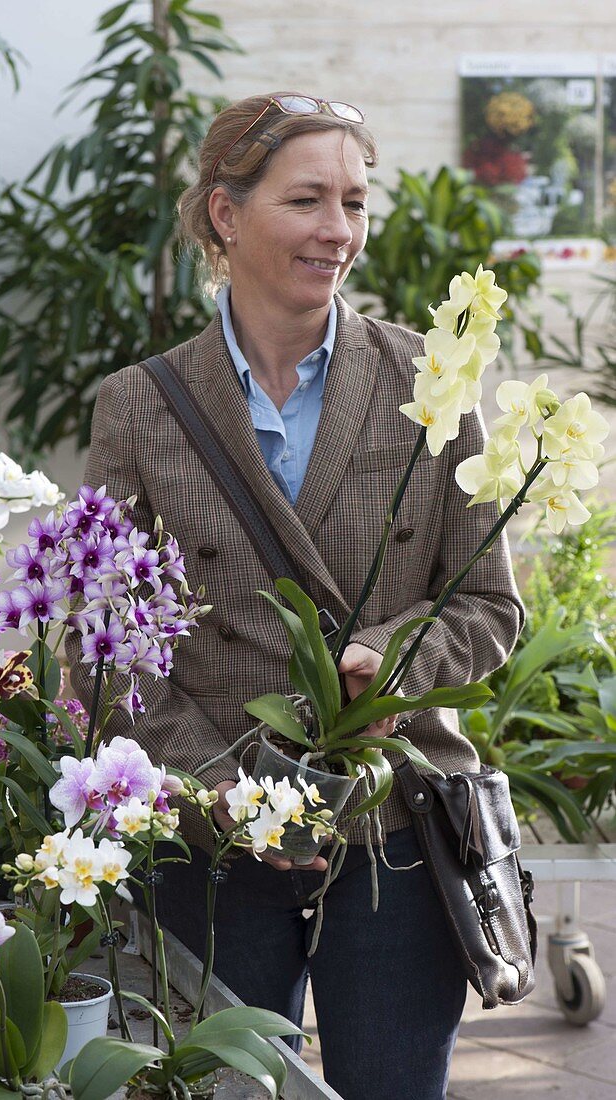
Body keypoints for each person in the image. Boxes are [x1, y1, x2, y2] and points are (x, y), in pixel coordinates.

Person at [69, 93, 524, 1100]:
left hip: (394, 839)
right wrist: (212, 790)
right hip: (212, 846)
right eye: (309, 199)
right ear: (226, 215)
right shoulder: (140, 405)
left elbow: (492, 605)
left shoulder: (429, 378)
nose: (340, 232)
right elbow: (101, 643)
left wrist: (395, 655)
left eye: (355, 202)